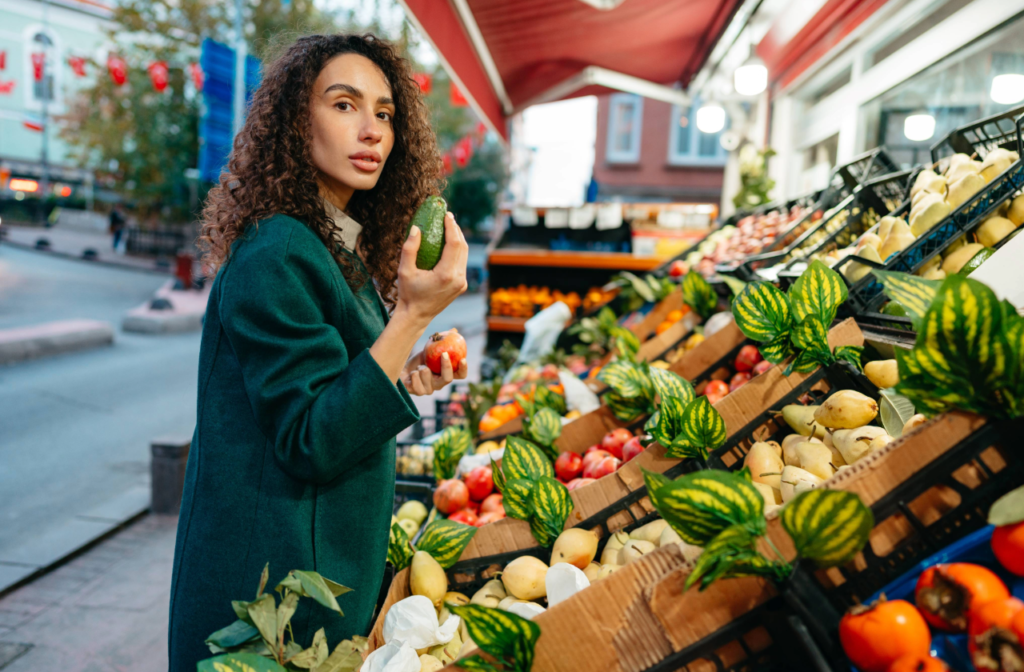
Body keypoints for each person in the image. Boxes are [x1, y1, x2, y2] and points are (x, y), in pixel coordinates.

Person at [167, 34, 469, 670]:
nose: (372, 131)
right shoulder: (279, 250)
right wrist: (413, 313)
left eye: (385, 114)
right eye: (343, 105)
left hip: (315, 584)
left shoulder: (334, 246)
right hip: (271, 607)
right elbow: (309, 439)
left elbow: (333, 390)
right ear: (294, 122)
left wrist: (405, 378)